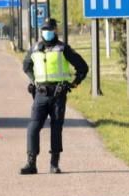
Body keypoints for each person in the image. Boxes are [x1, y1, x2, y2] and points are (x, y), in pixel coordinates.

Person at [21, 18, 88, 175]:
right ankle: (31, 163)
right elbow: (26, 66)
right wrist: (33, 81)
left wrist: (74, 83)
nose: (47, 32)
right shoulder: (35, 49)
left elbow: (83, 67)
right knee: (33, 127)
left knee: (56, 128)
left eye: (50, 29)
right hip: (40, 94)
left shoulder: (63, 48)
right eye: (44, 29)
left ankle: (54, 164)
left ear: (55, 31)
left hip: (58, 94)